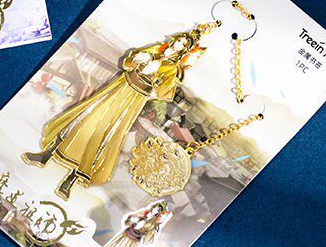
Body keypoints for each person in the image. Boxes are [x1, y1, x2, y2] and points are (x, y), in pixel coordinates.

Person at [22, 25, 208, 200]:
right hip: (119, 86)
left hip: (133, 99)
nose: (178, 44)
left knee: (106, 133)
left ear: (184, 50)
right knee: (85, 116)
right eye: (179, 40)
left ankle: (72, 179)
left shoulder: (171, 68)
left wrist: (153, 81)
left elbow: (164, 93)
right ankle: (47, 154)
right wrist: (139, 61)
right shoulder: (155, 50)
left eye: (183, 45)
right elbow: (127, 63)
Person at [81, 201, 171, 247]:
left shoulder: (153, 225)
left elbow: (148, 241)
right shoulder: (142, 214)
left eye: (158, 210)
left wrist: (145, 232)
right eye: (155, 208)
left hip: (132, 243)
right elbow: (128, 221)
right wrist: (134, 222)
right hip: (124, 236)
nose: (155, 210)